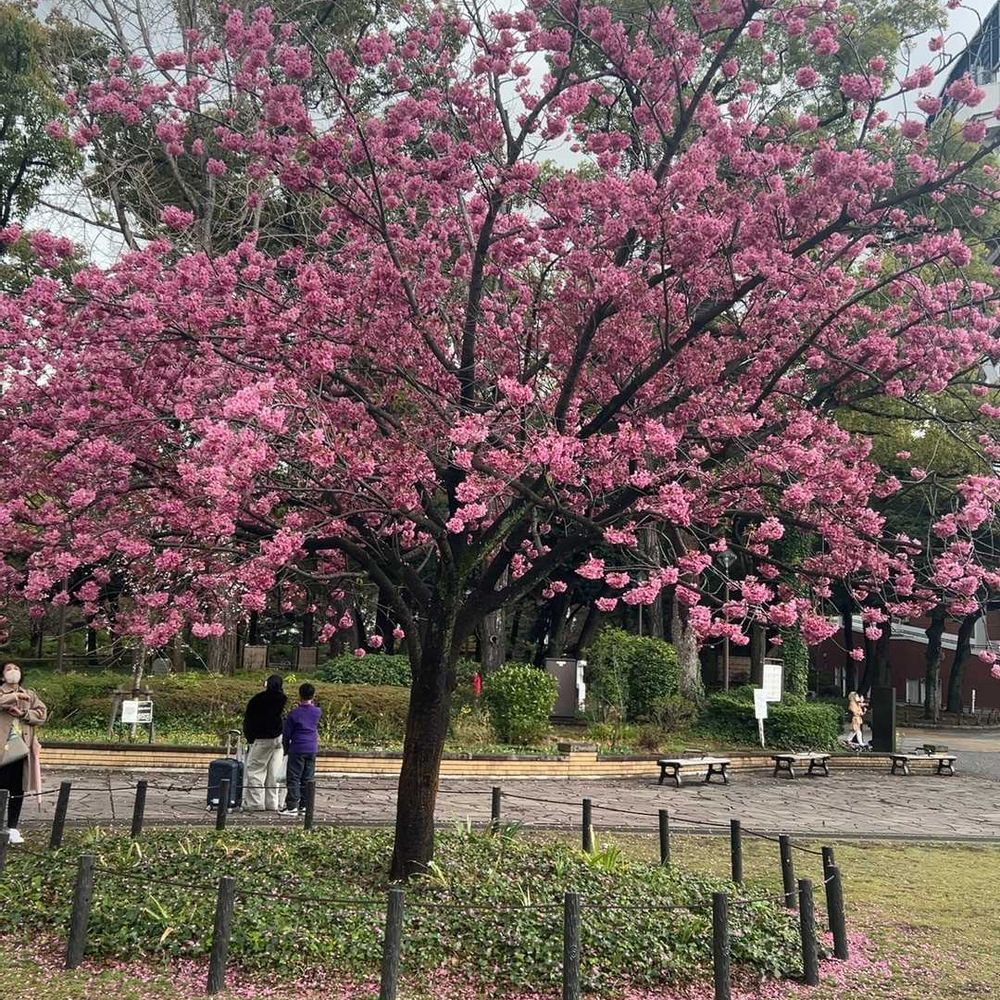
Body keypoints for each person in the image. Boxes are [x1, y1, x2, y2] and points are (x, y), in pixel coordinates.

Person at [0, 662, 47, 844]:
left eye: (16, 669)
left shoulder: (30, 694)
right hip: (2, 750)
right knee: (1, 787)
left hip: (21, 750)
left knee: (17, 788)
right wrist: (14, 696)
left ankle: (12, 827)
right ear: (2, 675)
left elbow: (41, 714)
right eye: (9, 669)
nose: (13, 672)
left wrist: (23, 713)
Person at [242, 674, 287, 812]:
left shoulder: (257, 700)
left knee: (255, 770)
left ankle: (255, 803)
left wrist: (250, 738)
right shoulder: (282, 699)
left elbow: (249, 720)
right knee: (274, 772)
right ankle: (272, 803)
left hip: (261, 739)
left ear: (266, 684)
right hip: (278, 738)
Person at [281, 682, 322, 815]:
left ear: (300, 695)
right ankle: (305, 806)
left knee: (294, 777)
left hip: (297, 747)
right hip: (312, 747)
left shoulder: (294, 713)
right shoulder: (317, 712)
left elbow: (287, 734)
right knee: (308, 777)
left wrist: (286, 749)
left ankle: (292, 806)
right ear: (313, 695)